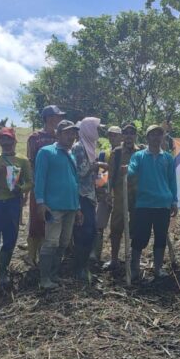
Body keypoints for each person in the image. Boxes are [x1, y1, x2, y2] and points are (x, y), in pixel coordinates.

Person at [0, 127, 33, 289]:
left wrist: (20, 189)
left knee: (10, 237)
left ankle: (3, 273)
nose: (6, 142)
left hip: (12, 203)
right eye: (3, 139)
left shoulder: (23, 160)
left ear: (14, 141)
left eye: (9, 139)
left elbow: (30, 182)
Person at [34, 120, 81, 289]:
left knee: (64, 242)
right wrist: (40, 202)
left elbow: (75, 182)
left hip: (70, 206)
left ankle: (54, 275)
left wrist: (78, 208)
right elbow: (40, 178)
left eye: (73, 133)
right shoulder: (46, 152)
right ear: (58, 134)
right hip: (53, 206)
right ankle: (44, 278)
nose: (71, 136)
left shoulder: (72, 155)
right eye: (68, 133)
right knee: (51, 242)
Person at [128, 124, 178, 280]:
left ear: (162, 137)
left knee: (161, 237)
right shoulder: (139, 156)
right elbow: (132, 170)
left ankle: (158, 269)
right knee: (140, 237)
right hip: (144, 203)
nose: (156, 137)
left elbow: (172, 181)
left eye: (159, 134)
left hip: (163, 204)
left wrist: (174, 200)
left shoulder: (168, 158)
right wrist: (126, 171)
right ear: (147, 137)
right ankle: (134, 268)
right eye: (152, 134)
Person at [26, 105, 65, 265]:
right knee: (37, 219)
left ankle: (45, 256)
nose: (60, 119)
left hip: (56, 187)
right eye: (58, 116)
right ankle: (31, 256)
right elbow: (30, 163)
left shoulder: (60, 138)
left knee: (52, 220)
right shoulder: (35, 138)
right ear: (49, 118)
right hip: (39, 185)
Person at [72, 117, 108, 282]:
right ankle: (80, 269)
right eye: (96, 128)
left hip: (89, 195)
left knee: (90, 232)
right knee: (84, 233)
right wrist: (95, 166)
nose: (98, 132)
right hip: (80, 196)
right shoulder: (78, 148)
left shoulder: (90, 147)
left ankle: (83, 268)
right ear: (88, 129)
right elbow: (78, 173)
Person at [105, 123, 141, 271]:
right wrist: (108, 193)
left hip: (137, 196)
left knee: (136, 227)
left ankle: (133, 260)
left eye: (132, 133)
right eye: (126, 133)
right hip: (120, 195)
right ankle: (114, 260)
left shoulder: (141, 152)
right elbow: (111, 175)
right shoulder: (117, 152)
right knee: (116, 227)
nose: (129, 136)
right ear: (122, 135)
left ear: (135, 136)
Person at [91, 126, 122, 263]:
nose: (112, 137)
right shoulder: (104, 154)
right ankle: (95, 253)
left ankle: (116, 257)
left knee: (117, 227)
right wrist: (102, 192)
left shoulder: (126, 153)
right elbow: (101, 176)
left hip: (121, 195)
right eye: (110, 135)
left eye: (115, 135)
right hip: (106, 194)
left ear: (120, 137)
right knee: (99, 224)